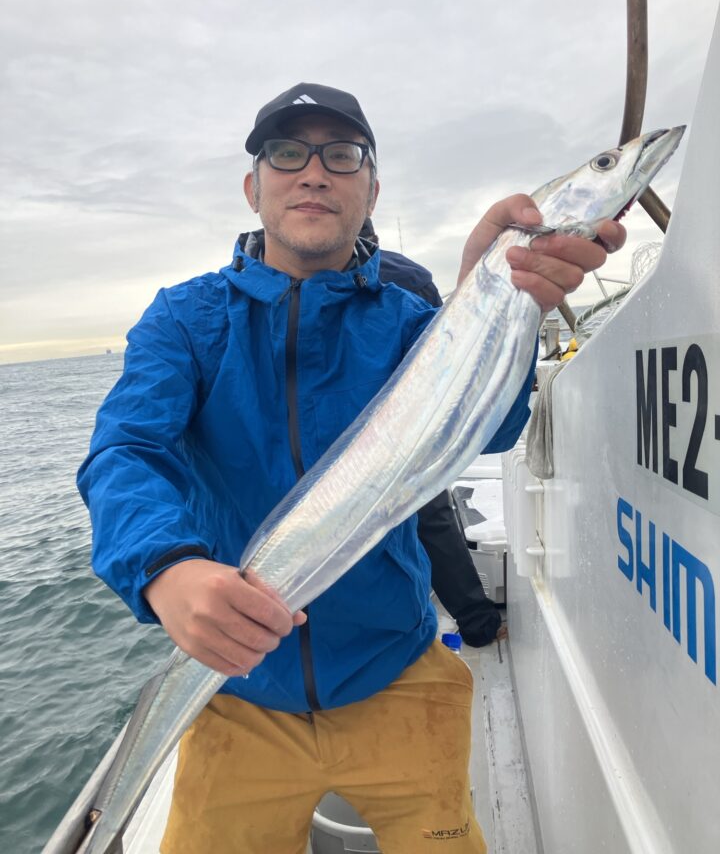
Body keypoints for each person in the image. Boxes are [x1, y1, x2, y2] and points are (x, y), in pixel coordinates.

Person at [78, 82, 624, 854]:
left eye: (342, 155)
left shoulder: (408, 324)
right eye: (286, 153)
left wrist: (495, 306)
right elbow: (125, 452)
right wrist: (166, 568)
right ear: (253, 186)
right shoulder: (186, 319)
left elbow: (492, 430)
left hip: (398, 678)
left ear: (371, 188)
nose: (313, 173)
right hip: (238, 695)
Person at [360, 216, 505, 646]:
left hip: (346, 438)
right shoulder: (411, 276)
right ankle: (477, 622)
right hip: (411, 432)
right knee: (433, 521)